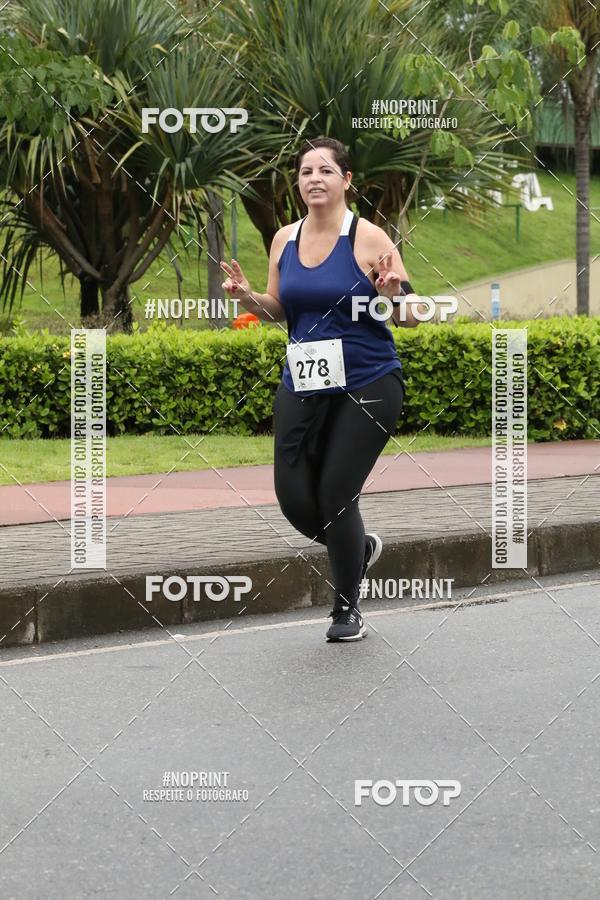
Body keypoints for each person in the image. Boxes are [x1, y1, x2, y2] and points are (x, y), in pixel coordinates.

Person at [221, 137, 425, 642]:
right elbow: (280, 309)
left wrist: (390, 297)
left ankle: (346, 609)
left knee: (337, 493)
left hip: (369, 382)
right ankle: (357, 550)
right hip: (304, 380)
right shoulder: (283, 239)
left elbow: (413, 318)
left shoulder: (370, 238)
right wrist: (249, 296)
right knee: (293, 497)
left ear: (346, 181)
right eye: (306, 171)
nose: (314, 178)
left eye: (326, 170)